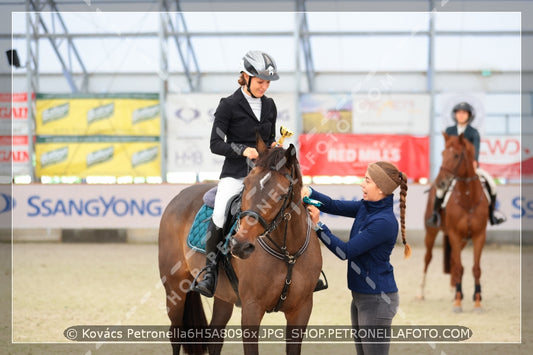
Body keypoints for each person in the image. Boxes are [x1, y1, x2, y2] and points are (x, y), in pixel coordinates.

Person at [192, 50, 280, 297]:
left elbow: (269, 139)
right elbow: (215, 144)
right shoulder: (228, 105)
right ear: (246, 77)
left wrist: (272, 148)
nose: (265, 87)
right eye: (260, 81)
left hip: (263, 173)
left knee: (286, 200)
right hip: (236, 173)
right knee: (221, 211)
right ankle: (210, 273)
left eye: (267, 83)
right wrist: (243, 151)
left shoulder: (270, 105)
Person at [302, 161, 411, 355]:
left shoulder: (383, 222)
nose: (362, 184)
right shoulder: (367, 207)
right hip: (361, 297)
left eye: (367, 181)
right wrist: (309, 191)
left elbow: (345, 251)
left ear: (380, 188)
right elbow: (334, 205)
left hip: (377, 300)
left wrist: (318, 227)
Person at [426, 101, 506, 228]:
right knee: (440, 190)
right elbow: (448, 151)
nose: (461, 115)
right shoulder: (449, 130)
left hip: (470, 168)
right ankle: (435, 214)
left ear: (469, 115)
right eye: (459, 113)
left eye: (464, 113)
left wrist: (474, 161)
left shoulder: (473, 132)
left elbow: (477, 149)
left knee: (492, 184)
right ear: (455, 115)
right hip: (453, 170)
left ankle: (492, 215)